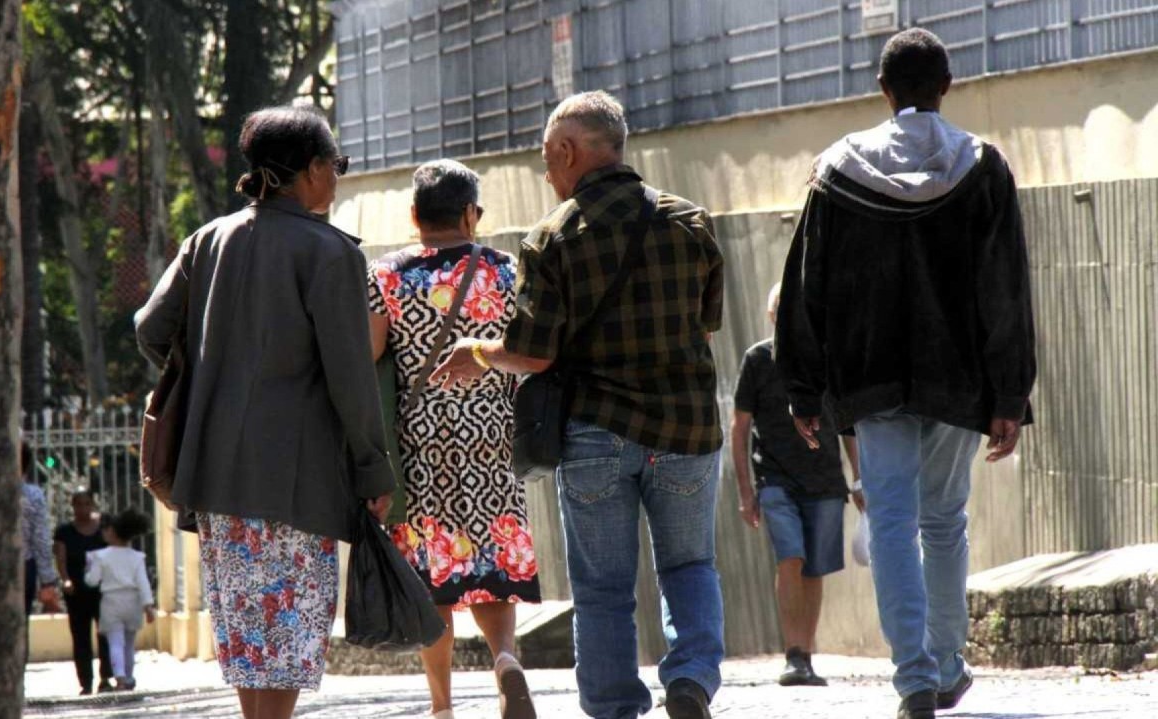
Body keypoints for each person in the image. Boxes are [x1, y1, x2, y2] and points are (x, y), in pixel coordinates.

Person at [432, 90, 725, 719]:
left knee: (602, 588)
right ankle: (693, 680)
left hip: (596, 435)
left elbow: (534, 356)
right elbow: (705, 328)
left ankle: (615, 707)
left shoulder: (553, 236)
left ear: (568, 150)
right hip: (687, 429)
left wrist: (479, 352)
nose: (546, 172)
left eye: (546, 157)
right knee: (690, 564)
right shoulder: (691, 222)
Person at [775, 29, 1036, 719]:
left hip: (869, 375)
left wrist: (801, 385)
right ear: (946, 86)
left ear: (883, 91)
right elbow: (1006, 284)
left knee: (890, 518)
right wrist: (1010, 391)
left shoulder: (836, 169)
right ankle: (949, 662)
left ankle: (913, 676)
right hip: (958, 374)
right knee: (945, 518)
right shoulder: (983, 166)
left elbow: (807, 281)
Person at [135, 105, 396, 719]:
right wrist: (373, 470)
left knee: (251, 644)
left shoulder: (209, 240)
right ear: (308, 171)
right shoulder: (330, 253)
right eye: (337, 165)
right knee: (285, 642)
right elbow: (352, 379)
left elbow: (150, 328)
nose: (338, 177)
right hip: (295, 481)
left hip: (215, 478)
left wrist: (208, 374)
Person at [368, 159, 541, 719]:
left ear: (415, 215)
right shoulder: (505, 271)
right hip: (491, 435)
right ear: (472, 215)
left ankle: (442, 704)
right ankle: (506, 660)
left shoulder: (387, 276)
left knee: (432, 572)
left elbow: (368, 359)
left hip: (418, 443)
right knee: (493, 557)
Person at [731, 282, 862, 688]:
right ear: (772, 317)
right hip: (775, 478)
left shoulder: (828, 359)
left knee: (815, 567)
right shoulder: (757, 359)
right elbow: (739, 428)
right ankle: (793, 654)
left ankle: (805, 655)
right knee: (790, 557)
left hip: (825, 480)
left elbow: (846, 425)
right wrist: (745, 492)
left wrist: (859, 481)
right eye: (781, 311)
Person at [84, 508, 155, 691]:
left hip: (111, 602)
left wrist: (89, 566)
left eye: (107, 529)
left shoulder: (100, 556)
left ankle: (120, 677)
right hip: (132, 602)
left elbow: (92, 580)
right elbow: (143, 582)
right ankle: (129, 677)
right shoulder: (137, 557)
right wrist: (148, 606)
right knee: (129, 644)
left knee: (115, 641)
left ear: (113, 532)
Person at [53, 489, 114, 694]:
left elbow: (113, 552)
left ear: (93, 504)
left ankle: (106, 677)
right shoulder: (64, 532)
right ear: (73, 506)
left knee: (104, 634)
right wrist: (66, 580)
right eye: (79, 504)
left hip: (102, 590)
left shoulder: (103, 529)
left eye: (87, 503)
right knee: (80, 637)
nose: (83, 508)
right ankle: (85, 682)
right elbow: (60, 559)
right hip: (77, 592)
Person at [21, 441, 59, 661]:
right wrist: (47, 581)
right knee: (20, 624)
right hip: (24, 567)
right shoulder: (33, 495)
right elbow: (41, 540)